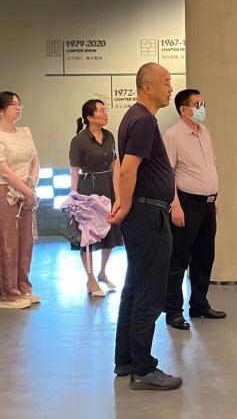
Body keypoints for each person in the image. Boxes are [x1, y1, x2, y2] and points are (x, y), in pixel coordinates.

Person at [109, 63, 183, 391]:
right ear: (148, 86)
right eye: (166, 82)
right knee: (149, 294)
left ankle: (126, 360)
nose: (170, 88)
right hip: (148, 216)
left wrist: (124, 204)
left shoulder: (134, 118)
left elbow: (121, 167)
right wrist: (124, 205)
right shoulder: (143, 121)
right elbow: (127, 170)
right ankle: (143, 368)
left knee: (135, 288)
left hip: (144, 214)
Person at [162, 89, 226, 331]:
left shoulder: (205, 132)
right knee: (179, 258)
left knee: (204, 255)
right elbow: (168, 173)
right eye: (197, 104)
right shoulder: (173, 136)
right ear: (184, 110)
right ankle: (173, 311)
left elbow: (210, 165)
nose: (202, 108)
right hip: (186, 203)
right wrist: (175, 205)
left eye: (203, 103)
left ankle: (199, 304)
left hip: (207, 203)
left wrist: (214, 197)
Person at [0, 91, 41, 310]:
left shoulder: (26, 132)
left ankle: (23, 287)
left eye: (19, 103)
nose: (18, 108)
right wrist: (27, 190)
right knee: (7, 243)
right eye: (12, 104)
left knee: (26, 241)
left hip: (26, 189)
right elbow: (5, 172)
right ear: (0, 110)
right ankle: (7, 294)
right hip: (4, 192)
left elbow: (35, 161)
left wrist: (30, 185)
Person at [69, 99, 122, 297]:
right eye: (101, 110)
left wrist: (118, 194)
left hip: (108, 186)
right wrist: (74, 196)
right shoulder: (79, 140)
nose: (105, 113)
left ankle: (102, 272)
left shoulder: (109, 136)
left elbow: (115, 164)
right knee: (88, 235)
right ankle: (90, 278)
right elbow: (74, 169)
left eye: (105, 110)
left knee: (110, 231)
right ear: (89, 117)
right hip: (88, 190)